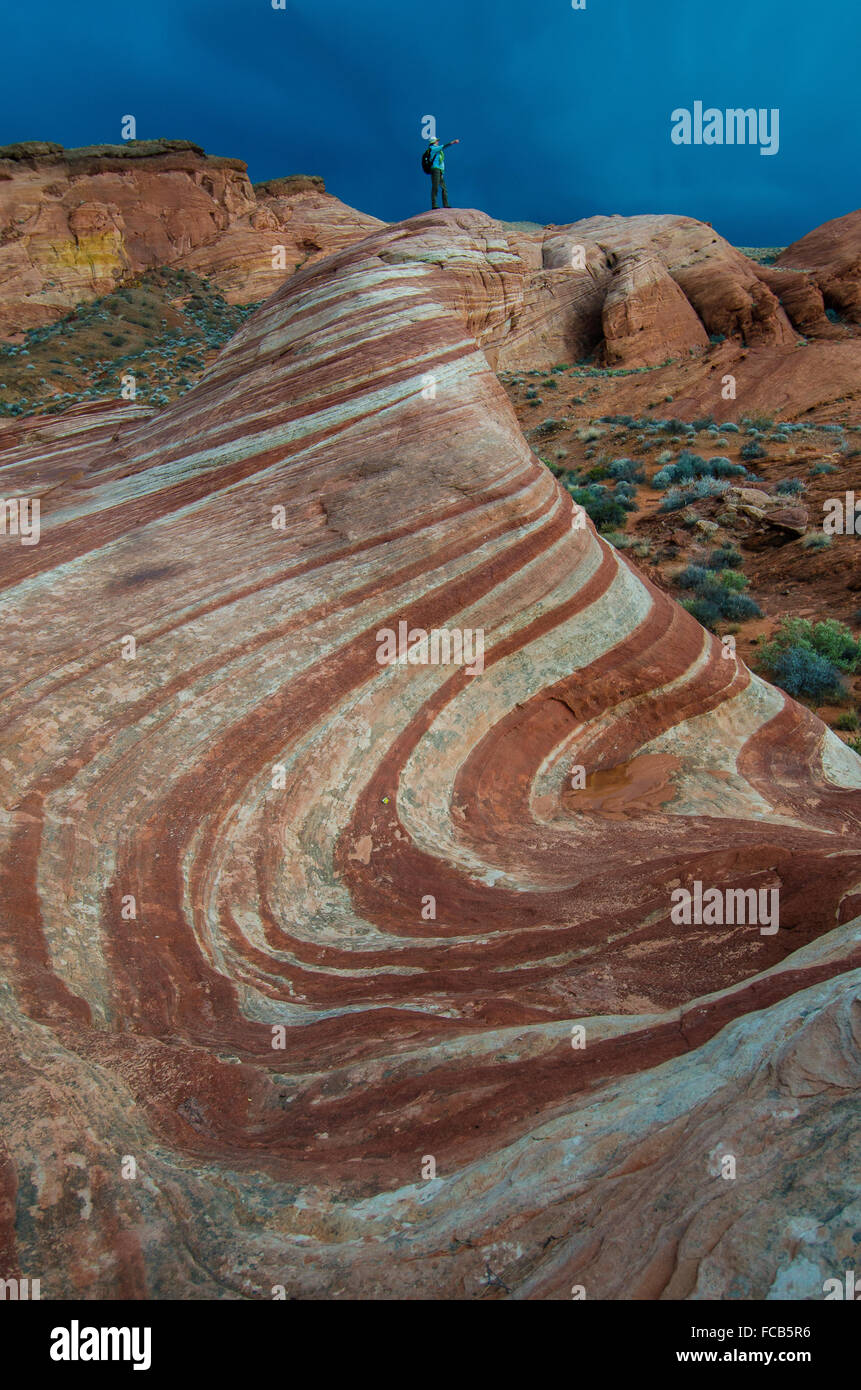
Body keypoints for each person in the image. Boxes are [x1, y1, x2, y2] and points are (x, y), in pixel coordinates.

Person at [427, 136, 460, 209]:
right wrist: (453, 142)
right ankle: (434, 205)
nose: (438, 142)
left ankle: (446, 204)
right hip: (435, 170)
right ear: (434, 142)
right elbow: (444, 146)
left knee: (444, 188)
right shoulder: (433, 148)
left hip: (439, 170)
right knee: (435, 187)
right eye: (436, 141)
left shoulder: (436, 149)